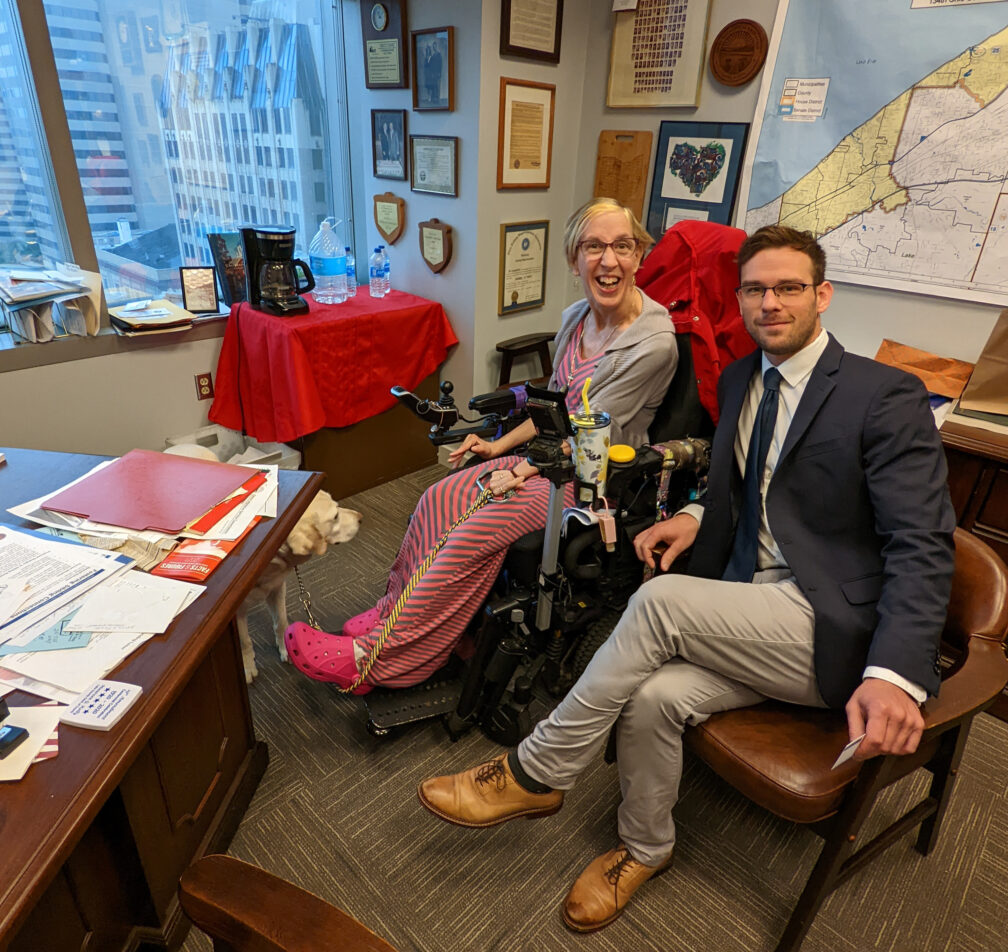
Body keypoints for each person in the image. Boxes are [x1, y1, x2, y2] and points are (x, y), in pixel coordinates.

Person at [416, 225, 956, 933]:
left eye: (790, 287)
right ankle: (645, 848)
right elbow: (752, 484)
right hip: (754, 606)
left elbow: (923, 543)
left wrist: (895, 673)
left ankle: (534, 773)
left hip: (835, 630)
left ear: (822, 295)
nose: (771, 302)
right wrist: (699, 514)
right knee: (653, 698)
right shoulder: (739, 379)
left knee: (660, 602)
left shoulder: (883, 395)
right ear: (741, 299)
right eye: (756, 289)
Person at [285, 198, 679, 693]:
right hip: (545, 460)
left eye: (622, 246)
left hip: (589, 483)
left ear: (640, 254)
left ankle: (378, 661)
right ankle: (394, 614)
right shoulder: (577, 317)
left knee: (470, 530)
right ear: (573, 258)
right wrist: (499, 450)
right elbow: (553, 407)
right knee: (438, 498)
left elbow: (587, 435)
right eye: (593, 246)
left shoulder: (652, 343)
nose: (609, 260)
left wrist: (519, 472)